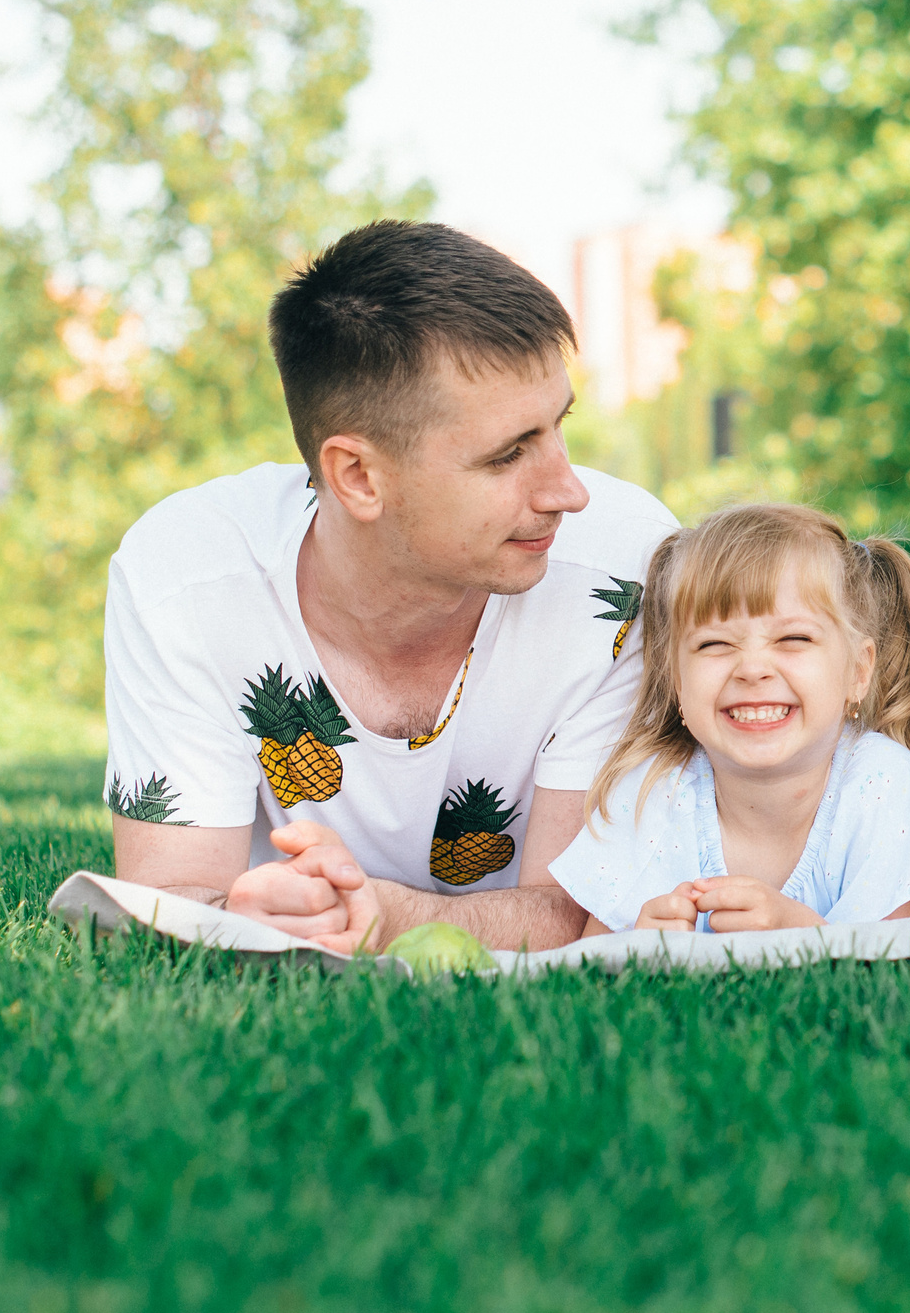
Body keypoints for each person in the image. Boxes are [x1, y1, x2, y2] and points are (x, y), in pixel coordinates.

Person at [104, 220, 678, 952]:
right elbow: (170, 900)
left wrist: (381, 914)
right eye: (509, 455)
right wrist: (244, 913)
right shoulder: (186, 580)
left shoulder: (625, 576)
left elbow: (579, 914)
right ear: (358, 476)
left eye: (558, 427)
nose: (568, 490)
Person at [548, 504, 910, 934]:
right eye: (715, 644)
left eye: (794, 638)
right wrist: (637, 943)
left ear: (857, 671)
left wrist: (796, 931)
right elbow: (590, 962)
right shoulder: (653, 790)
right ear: (677, 682)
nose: (752, 668)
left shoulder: (881, 781)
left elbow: (889, 966)